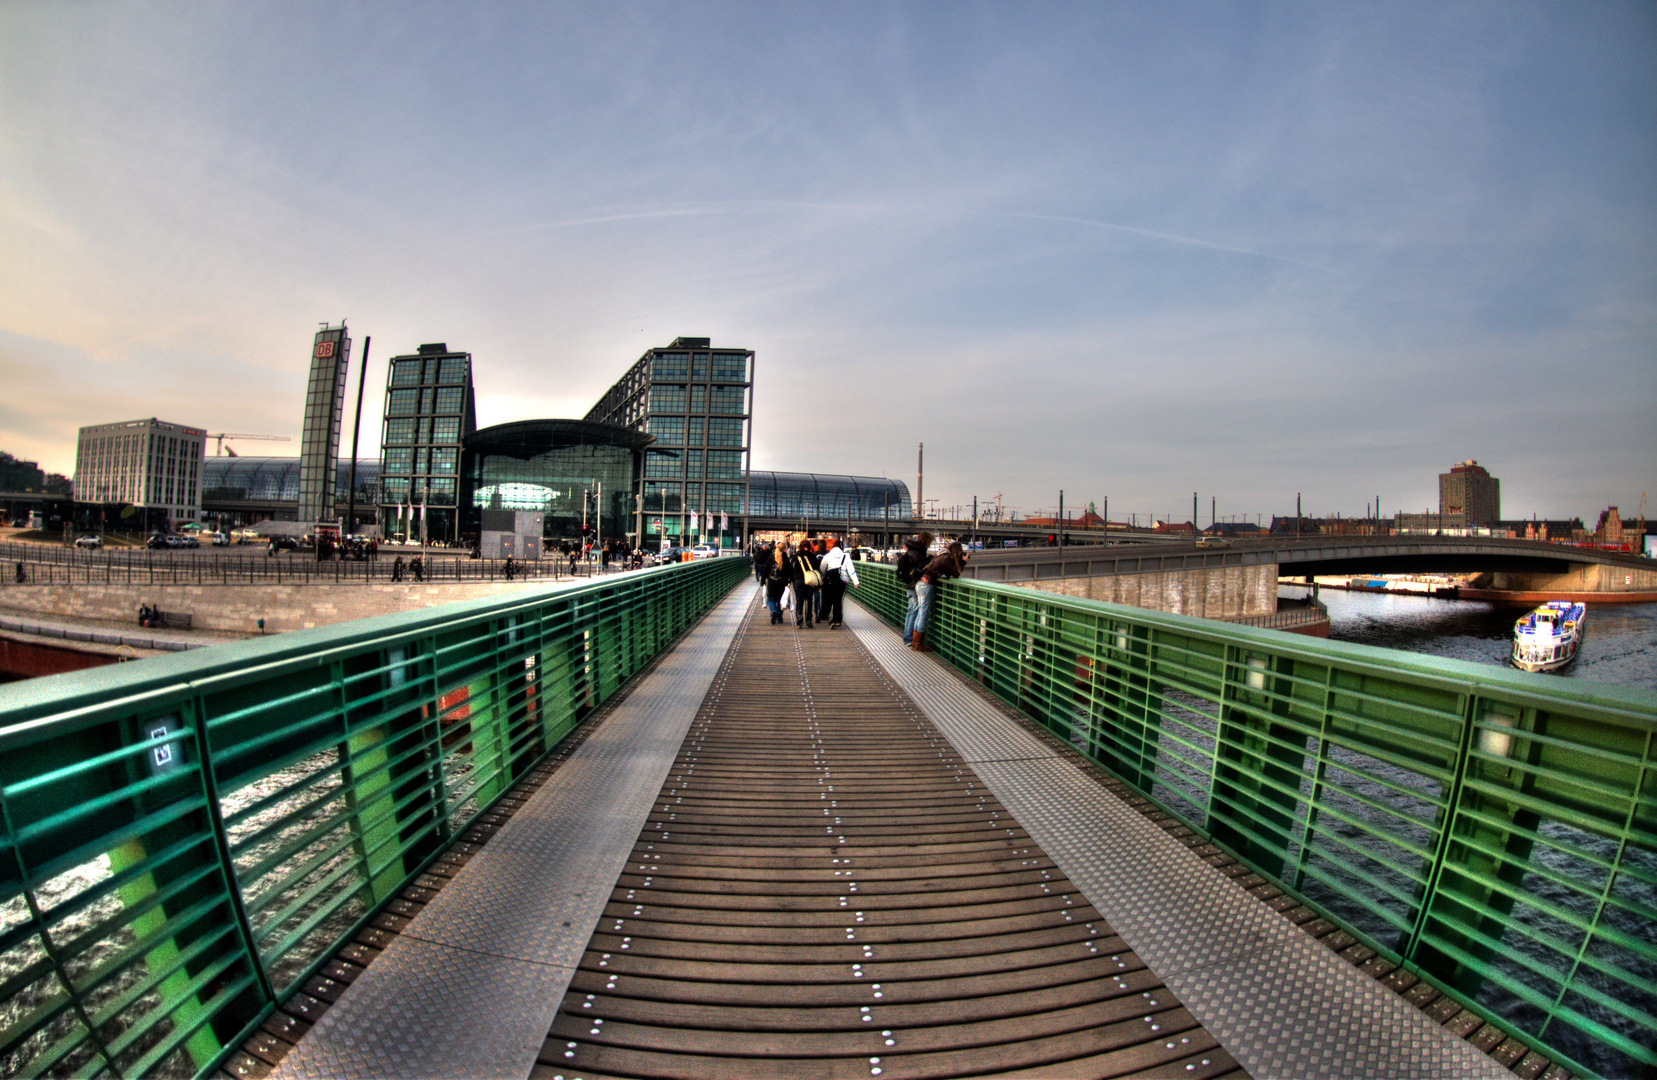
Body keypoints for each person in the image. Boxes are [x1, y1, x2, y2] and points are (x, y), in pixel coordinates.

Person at [912, 540, 966, 653]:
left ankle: (915, 642)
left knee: (920, 612)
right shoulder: (946, 558)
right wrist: (963, 562)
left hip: (921, 584)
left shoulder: (941, 556)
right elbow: (956, 574)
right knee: (923, 614)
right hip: (927, 585)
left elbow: (947, 572)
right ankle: (918, 644)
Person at [895, 530, 933, 647]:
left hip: (909, 584)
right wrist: (931, 558)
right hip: (914, 584)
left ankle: (907, 636)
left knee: (911, 610)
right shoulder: (917, 552)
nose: (930, 544)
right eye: (930, 542)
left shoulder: (912, 551)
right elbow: (922, 566)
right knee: (914, 611)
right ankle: (908, 638)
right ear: (926, 541)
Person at [817, 538, 860, 629]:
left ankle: (827, 616)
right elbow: (851, 570)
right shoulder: (846, 556)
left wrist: (822, 578)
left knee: (829, 599)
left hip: (829, 581)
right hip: (842, 581)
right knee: (838, 600)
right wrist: (856, 582)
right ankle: (837, 620)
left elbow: (822, 568)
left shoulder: (828, 556)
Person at [791, 539, 821, 628]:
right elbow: (816, 569)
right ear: (809, 546)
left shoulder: (796, 556)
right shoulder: (812, 556)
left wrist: (793, 579)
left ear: (801, 547)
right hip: (810, 581)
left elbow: (792, 569)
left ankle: (799, 621)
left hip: (799, 580)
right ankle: (808, 620)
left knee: (799, 601)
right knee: (809, 600)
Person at [764, 543, 790, 624]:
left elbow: (766, 569)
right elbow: (789, 569)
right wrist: (790, 580)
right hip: (781, 582)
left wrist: (762, 581)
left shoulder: (771, 556)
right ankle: (779, 616)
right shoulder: (785, 557)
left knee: (771, 599)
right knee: (780, 599)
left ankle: (773, 611)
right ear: (785, 549)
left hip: (771, 582)